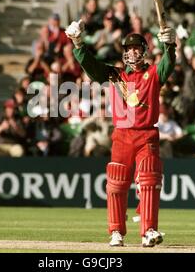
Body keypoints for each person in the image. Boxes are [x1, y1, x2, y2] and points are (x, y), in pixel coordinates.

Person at [65, 19, 176, 247]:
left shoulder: (153, 74)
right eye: (128, 48)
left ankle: (149, 230)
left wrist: (170, 45)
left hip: (146, 135)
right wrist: (78, 44)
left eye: (137, 48)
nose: (132, 52)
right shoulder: (115, 76)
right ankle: (116, 232)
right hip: (122, 136)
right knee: (116, 184)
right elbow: (93, 67)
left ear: (144, 51)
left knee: (148, 180)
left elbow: (168, 64)